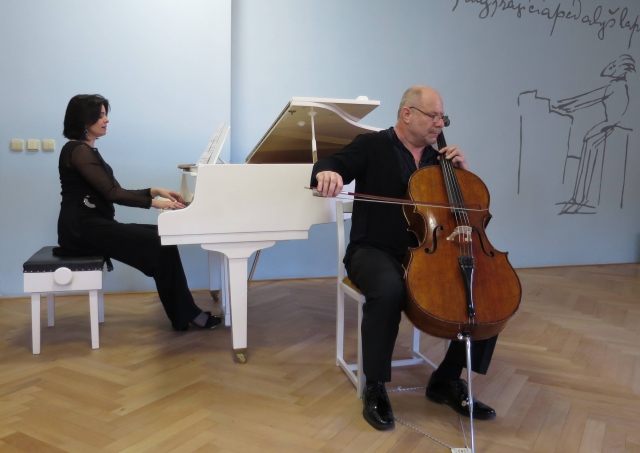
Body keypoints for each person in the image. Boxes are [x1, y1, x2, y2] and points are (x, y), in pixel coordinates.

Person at [311, 86, 498, 430]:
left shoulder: (441, 161)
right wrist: (328, 173)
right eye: (433, 116)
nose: (440, 124)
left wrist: (463, 173)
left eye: (443, 117)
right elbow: (332, 163)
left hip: (430, 253)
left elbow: (466, 212)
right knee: (389, 290)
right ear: (407, 114)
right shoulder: (372, 145)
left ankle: (446, 379)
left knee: (486, 291)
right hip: (373, 250)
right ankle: (375, 385)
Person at [56, 94, 220, 331]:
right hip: (81, 229)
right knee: (157, 242)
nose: (106, 120)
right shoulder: (78, 150)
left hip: (91, 224)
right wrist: (157, 203)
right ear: (84, 119)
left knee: (162, 238)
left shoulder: (86, 151)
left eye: (105, 114)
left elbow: (114, 190)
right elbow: (113, 193)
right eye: (100, 115)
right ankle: (187, 314)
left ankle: (185, 314)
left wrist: (154, 191)